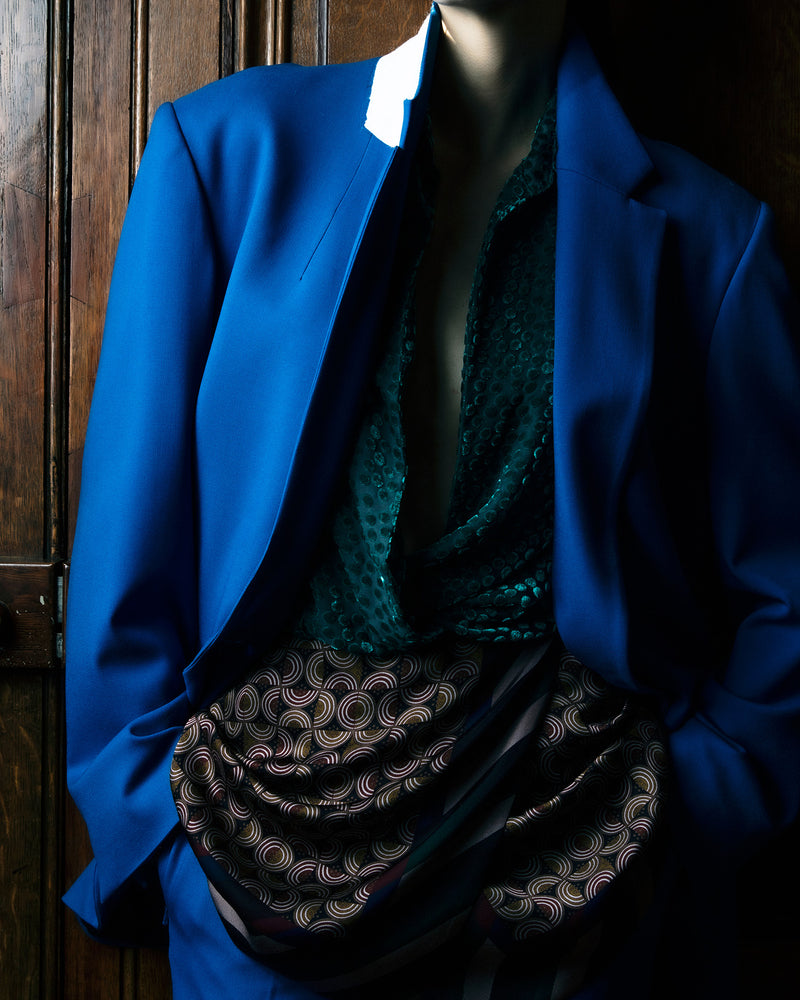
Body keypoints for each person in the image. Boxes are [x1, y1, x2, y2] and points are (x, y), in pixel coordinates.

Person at [64, 1, 800, 997]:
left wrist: (688, 817)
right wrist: (161, 834)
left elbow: (783, 593)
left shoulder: (711, 237)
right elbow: (127, 550)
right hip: (258, 878)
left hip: (575, 884)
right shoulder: (228, 153)